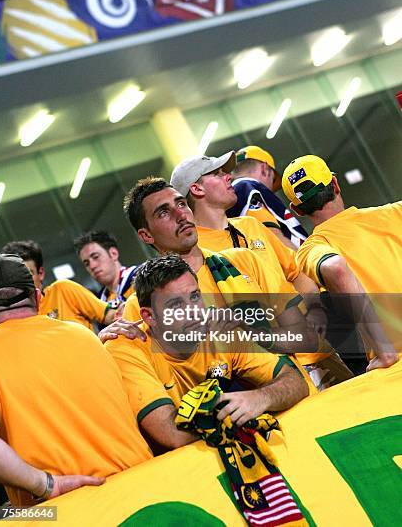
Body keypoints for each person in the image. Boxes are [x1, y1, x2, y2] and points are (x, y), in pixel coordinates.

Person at [170, 152, 353, 388]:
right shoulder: (193, 253)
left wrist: (315, 309)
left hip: (316, 353)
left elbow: (296, 271)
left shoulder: (251, 225)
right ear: (197, 189)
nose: (229, 177)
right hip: (270, 374)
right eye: (217, 173)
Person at [104, 253, 311, 448]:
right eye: (176, 305)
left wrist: (260, 398)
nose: (194, 311)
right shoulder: (126, 346)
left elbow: (295, 382)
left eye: (195, 297)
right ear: (149, 317)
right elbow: (171, 434)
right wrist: (235, 415)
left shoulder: (219, 327)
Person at [0, 253, 151, 507]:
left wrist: (45, 485)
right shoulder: (85, 336)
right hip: (151, 493)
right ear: (37, 297)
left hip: (71, 510)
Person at [281, 154, 400, 370]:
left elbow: (334, 267)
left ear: (296, 209)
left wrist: (384, 352)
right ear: (335, 184)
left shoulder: (312, 248)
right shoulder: (394, 213)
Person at [2, 240, 116, 330]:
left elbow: (112, 316)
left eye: (28, 274)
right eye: (16, 277)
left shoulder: (63, 290)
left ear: (40, 273)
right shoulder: (13, 319)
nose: (22, 282)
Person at [228, 146, 308, 249]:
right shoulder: (246, 188)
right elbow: (273, 236)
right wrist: (306, 263)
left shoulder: (238, 192)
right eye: (273, 180)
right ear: (264, 169)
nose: (271, 188)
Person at [74, 230, 138, 307]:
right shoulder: (98, 303)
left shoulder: (143, 277)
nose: (92, 266)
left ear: (113, 254)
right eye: (87, 263)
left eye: (96, 257)